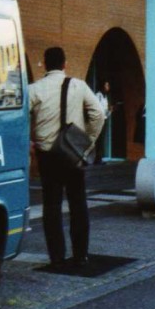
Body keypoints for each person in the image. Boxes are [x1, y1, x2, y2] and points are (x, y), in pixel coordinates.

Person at [29, 47, 106, 270]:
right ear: (65, 64)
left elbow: (22, 117)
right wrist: (87, 141)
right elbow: (98, 114)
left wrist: (31, 143)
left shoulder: (33, 90)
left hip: (47, 154)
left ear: (44, 63)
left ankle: (57, 256)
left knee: (51, 205)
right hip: (73, 152)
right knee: (78, 203)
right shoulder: (78, 86)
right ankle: (81, 255)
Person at [94, 81, 112, 163]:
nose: (108, 87)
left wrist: (110, 111)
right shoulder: (98, 96)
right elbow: (98, 109)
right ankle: (97, 158)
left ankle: (99, 158)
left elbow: (105, 113)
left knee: (101, 139)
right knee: (99, 140)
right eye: (106, 85)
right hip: (99, 120)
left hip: (103, 120)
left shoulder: (105, 97)